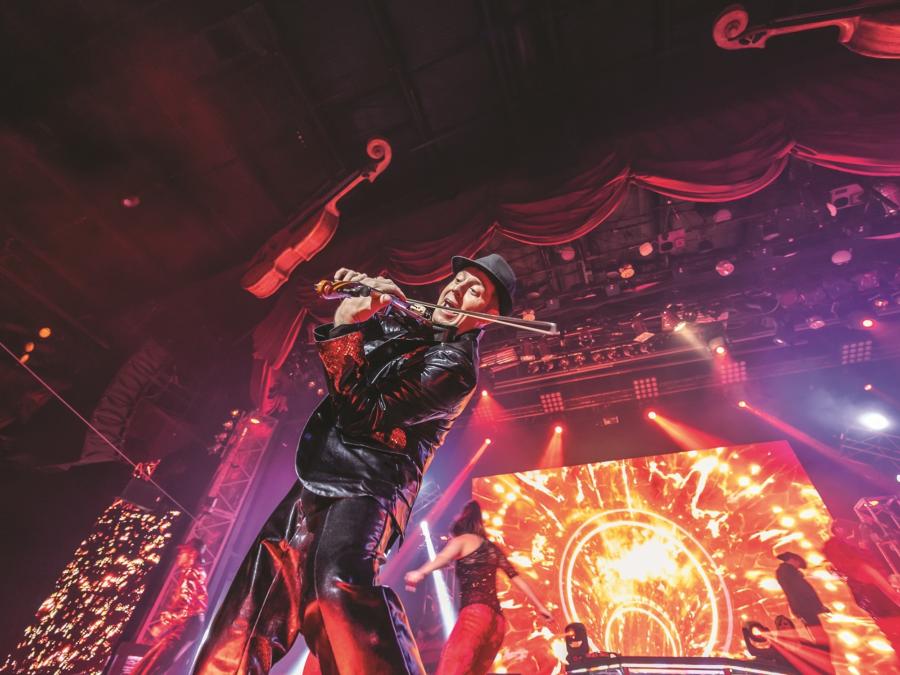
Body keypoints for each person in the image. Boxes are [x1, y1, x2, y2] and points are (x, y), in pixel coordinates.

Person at [192, 254, 516, 675]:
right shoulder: (413, 328)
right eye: (457, 280)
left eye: (474, 290)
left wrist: (344, 325)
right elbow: (366, 348)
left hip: (369, 486)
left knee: (338, 587)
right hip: (321, 474)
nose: (455, 290)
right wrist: (371, 301)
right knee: (251, 607)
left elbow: (363, 415)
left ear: (490, 315)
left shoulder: (454, 368)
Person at [404, 500, 552, 675]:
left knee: (450, 668)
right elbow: (516, 577)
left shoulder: (463, 540)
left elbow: (443, 557)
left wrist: (420, 572)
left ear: (463, 520)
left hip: (476, 616)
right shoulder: (492, 548)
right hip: (497, 625)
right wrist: (540, 606)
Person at [134, 539, 209, 675]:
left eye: (183, 552)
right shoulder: (196, 571)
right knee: (156, 664)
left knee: (151, 666)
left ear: (192, 554)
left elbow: (187, 605)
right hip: (190, 624)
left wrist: (166, 623)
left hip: (188, 623)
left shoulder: (191, 572)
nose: (179, 555)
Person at [774, 552, 834, 672]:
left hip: (804, 608)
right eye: (798, 564)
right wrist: (817, 606)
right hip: (805, 607)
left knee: (818, 634)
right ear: (793, 559)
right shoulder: (788, 572)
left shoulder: (786, 572)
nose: (798, 567)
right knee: (819, 635)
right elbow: (801, 591)